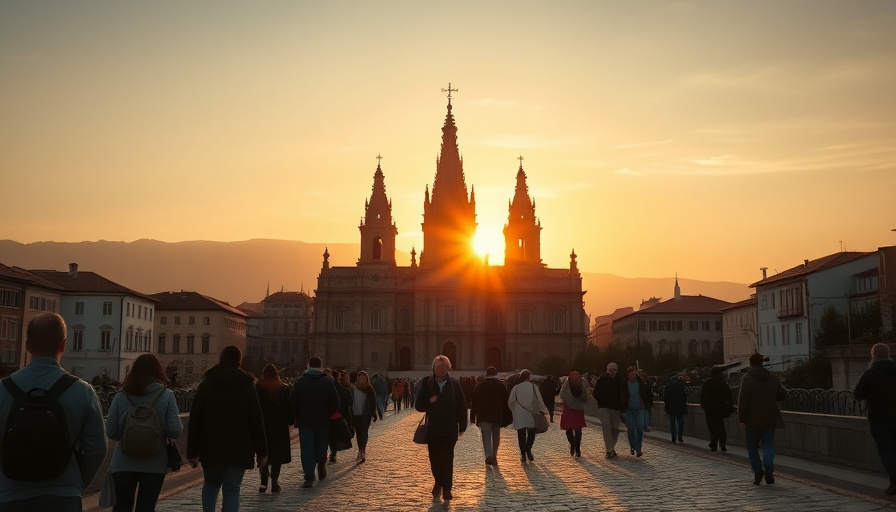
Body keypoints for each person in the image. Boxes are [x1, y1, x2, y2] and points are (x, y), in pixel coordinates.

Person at [0, 312, 107, 512]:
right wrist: (77, 482)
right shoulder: (82, 391)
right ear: (63, 345)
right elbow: (98, 447)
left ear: (28, 346)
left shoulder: (2, 389)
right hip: (63, 495)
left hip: (8, 495)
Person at [187, 345, 268, 512]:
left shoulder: (207, 384)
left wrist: (192, 452)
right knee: (232, 489)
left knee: (210, 484)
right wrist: (262, 452)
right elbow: (256, 421)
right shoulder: (247, 385)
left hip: (211, 446)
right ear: (239, 361)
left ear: (220, 359)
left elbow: (195, 420)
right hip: (239, 447)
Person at [105, 354, 183, 512]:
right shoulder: (166, 395)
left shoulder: (122, 395)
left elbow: (111, 431)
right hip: (155, 462)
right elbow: (175, 430)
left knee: (122, 507)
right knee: (146, 508)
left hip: (124, 461)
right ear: (158, 371)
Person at [415, 355, 467, 501]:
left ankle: (447, 488)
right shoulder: (428, 383)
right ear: (434, 368)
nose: (440, 369)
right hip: (433, 428)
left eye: (443, 366)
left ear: (448, 368)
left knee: (447, 458)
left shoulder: (455, 384)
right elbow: (418, 405)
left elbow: (462, 407)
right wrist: (429, 401)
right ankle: (438, 481)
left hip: (450, 429)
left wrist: (462, 426)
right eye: (437, 366)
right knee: (434, 458)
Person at [853, 343, 896, 495]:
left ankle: (894, 481)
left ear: (874, 356)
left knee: (886, 450)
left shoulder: (871, 373)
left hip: (879, 418)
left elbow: (858, 394)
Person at [291, 357, 340, 488]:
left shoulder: (300, 382)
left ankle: (309, 477)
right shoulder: (328, 382)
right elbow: (336, 402)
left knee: (307, 447)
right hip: (323, 420)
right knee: (321, 443)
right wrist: (329, 412)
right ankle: (321, 463)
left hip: (305, 420)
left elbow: (293, 401)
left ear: (308, 366)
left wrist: (296, 416)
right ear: (321, 366)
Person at [738, 352, 787, 485]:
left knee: (752, 446)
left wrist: (742, 418)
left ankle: (758, 471)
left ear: (751, 363)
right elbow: (782, 396)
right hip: (770, 417)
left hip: (752, 419)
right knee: (768, 443)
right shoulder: (773, 377)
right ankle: (769, 468)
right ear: (762, 363)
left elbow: (743, 399)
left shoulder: (747, 378)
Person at [255, 364, 294, 493]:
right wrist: (290, 420)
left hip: (263, 426)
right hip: (279, 427)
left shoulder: (258, 388)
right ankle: (275, 482)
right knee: (277, 456)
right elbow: (288, 408)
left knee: (263, 453)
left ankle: (263, 482)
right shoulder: (283, 388)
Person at [469, 366, 511, 466]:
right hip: (497, 415)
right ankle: (494, 456)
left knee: (486, 436)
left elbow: (474, 402)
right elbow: (506, 403)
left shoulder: (480, 386)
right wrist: (507, 417)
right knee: (496, 437)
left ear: (486, 374)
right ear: (496, 374)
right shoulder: (501, 386)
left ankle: (488, 455)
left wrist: (472, 416)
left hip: (484, 415)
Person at [507, 369, 548, 463]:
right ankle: (528, 448)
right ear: (529, 377)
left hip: (519, 413)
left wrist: (514, 410)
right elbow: (539, 400)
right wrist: (543, 410)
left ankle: (523, 454)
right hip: (532, 413)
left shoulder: (516, 388)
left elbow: (510, 402)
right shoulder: (534, 387)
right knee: (532, 432)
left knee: (521, 434)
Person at [591, 362, 623, 459]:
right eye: (610, 370)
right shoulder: (602, 380)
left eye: (614, 370)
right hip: (603, 407)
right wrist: (601, 401)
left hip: (616, 408)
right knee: (606, 426)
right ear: (607, 371)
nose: (612, 372)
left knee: (615, 429)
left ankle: (611, 447)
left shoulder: (620, 381)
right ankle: (609, 449)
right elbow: (595, 393)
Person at [700, 366, 733, 452]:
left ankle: (713, 444)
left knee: (712, 427)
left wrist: (704, 406)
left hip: (710, 409)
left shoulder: (707, 383)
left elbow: (702, 397)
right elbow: (729, 396)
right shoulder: (722, 383)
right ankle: (723, 444)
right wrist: (730, 405)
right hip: (720, 408)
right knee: (720, 426)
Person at [622, 366, 652, 457]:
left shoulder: (640, 383)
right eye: (632, 374)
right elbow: (622, 396)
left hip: (639, 408)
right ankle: (632, 446)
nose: (634, 375)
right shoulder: (624, 383)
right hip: (628, 409)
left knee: (640, 428)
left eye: (635, 374)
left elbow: (646, 393)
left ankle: (638, 448)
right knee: (631, 428)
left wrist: (647, 404)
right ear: (628, 374)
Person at [559, 370, 589, 457]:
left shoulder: (581, 383)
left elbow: (586, 394)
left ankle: (577, 448)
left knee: (576, 429)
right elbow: (562, 394)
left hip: (575, 409)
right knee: (571, 429)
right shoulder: (568, 384)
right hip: (571, 409)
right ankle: (574, 444)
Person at [351, 370, 378, 464]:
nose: (362, 378)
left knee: (364, 432)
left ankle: (363, 451)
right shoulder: (354, 387)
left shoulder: (369, 388)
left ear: (367, 378)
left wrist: (373, 413)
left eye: (364, 376)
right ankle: (360, 449)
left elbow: (373, 401)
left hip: (365, 414)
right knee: (358, 433)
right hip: (355, 413)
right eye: (360, 376)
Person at [330, 371, 355, 463]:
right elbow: (349, 405)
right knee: (335, 435)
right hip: (340, 416)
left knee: (329, 436)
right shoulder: (344, 390)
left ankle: (327, 454)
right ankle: (333, 452)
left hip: (328, 416)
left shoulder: (329, 388)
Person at [664, 374, 688, 444]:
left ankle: (673, 437)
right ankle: (680, 436)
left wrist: (667, 408)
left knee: (672, 423)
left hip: (671, 407)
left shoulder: (668, 386)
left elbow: (666, 398)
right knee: (680, 421)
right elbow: (684, 397)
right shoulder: (680, 385)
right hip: (680, 407)